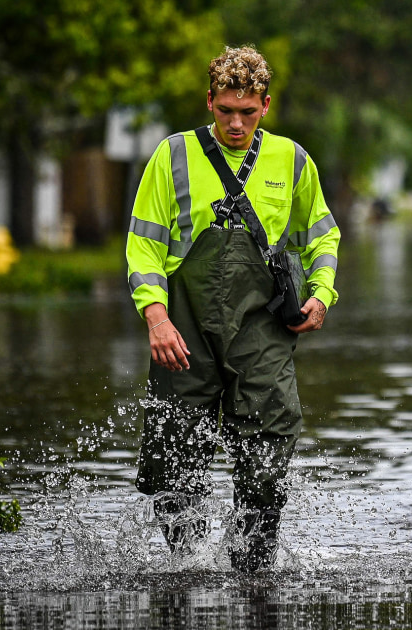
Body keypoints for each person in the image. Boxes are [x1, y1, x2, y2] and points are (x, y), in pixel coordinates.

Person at [125, 45, 340, 571]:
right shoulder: (172, 155)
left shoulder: (292, 160)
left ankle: (253, 567)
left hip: (261, 328)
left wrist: (321, 292)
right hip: (184, 330)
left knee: (267, 450)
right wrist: (155, 315)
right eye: (225, 111)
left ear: (266, 105)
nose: (236, 123)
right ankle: (186, 565)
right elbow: (144, 243)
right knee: (171, 455)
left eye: (248, 111)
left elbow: (323, 235)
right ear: (209, 102)